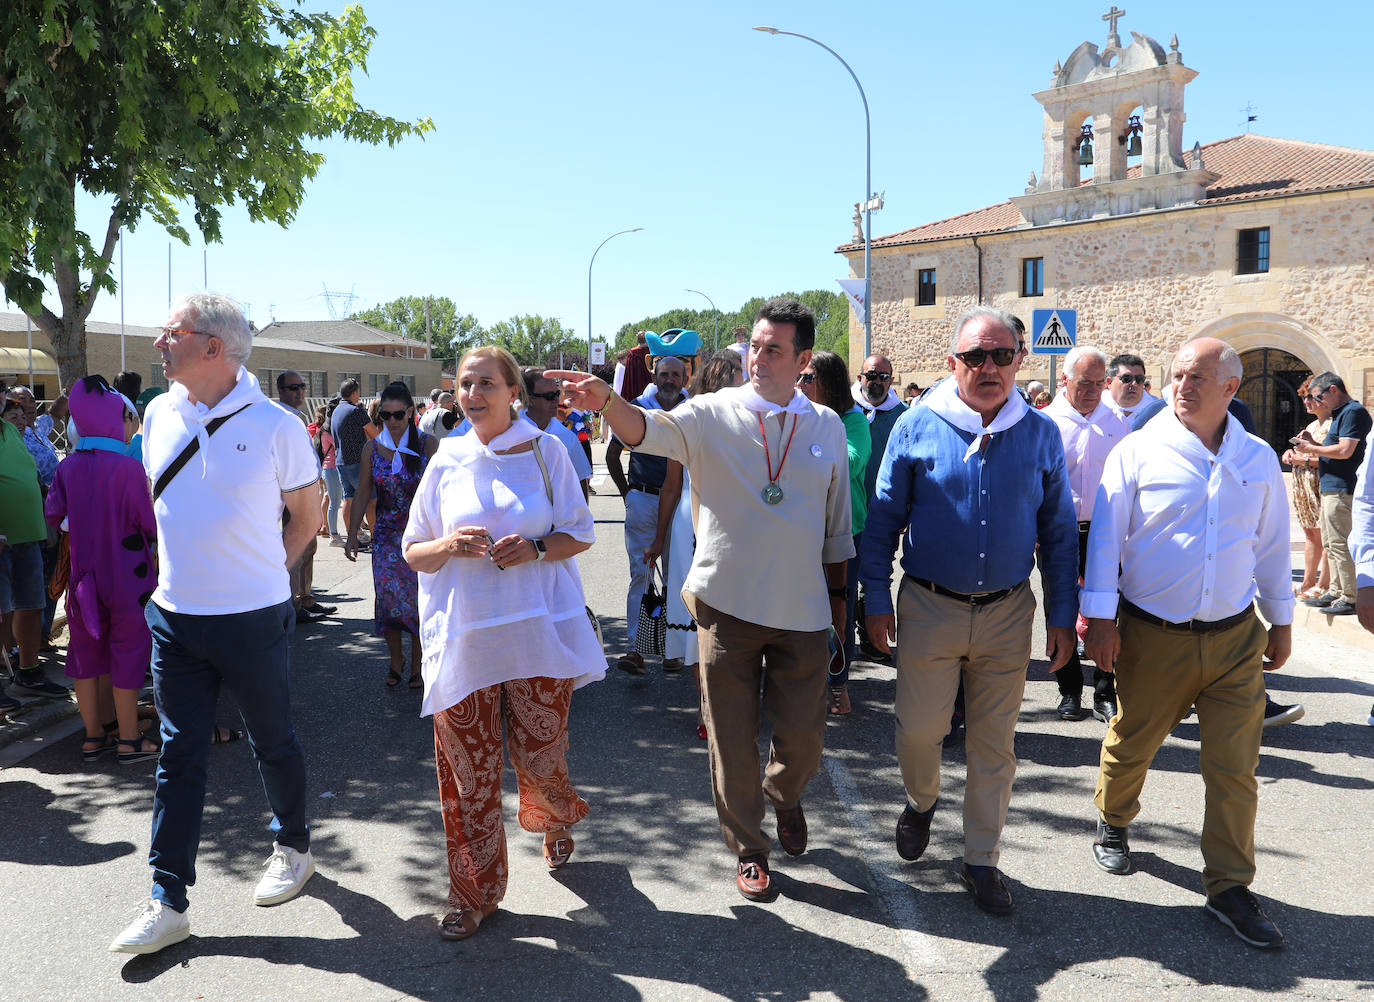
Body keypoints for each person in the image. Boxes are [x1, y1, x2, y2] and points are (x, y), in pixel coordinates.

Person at [550, 296, 854, 904]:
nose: (759, 358)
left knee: (803, 740)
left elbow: (837, 527)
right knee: (730, 736)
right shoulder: (711, 412)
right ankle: (749, 848)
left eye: (774, 349)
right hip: (725, 605)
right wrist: (608, 402)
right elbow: (649, 432)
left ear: (802, 361)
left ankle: (785, 793)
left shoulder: (826, 425)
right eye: (755, 346)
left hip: (801, 611)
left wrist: (843, 610)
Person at [110, 292, 319, 955]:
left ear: (212, 347)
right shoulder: (156, 414)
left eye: (169, 332)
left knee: (272, 740)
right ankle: (167, 899)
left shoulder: (277, 425)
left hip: (253, 619)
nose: (158, 343)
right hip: (175, 619)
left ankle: (293, 847)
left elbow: (308, 516)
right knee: (178, 757)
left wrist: (266, 575)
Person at [861, 305, 1077, 916]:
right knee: (919, 732)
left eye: (1002, 355)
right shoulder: (916, 426)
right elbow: (882, 521)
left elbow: (1059, 532)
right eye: (976, 356)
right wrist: (875, 598)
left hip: (1008, 613)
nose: (989, 367)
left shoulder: (1040, 433)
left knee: (994, 745)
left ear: (1020, 360)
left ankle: (981, 859)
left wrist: (1063, 614)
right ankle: (922, 800)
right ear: (953, 362)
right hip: (929, 607)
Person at [1082, 337, 1293, 950]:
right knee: (1133, 741)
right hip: (1154, 635)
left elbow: (1271, 546)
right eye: (1177, 375)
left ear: (1230, 388)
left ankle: (1229, 886)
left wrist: (1281, 620)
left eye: (1197, 377)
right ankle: (1114, 820)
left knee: (1235, 769)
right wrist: (1100, 620)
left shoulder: (1257, 458)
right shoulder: (1137, 451)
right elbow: (1106, 541)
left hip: (1235, 641)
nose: (1182, 386)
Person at [402, 345, 602, 941]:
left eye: (486, 383)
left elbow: (580, 532)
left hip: (538, 636)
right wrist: (448, 547)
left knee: (540, 756)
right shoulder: (446, 459)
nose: (473, 394)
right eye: (465, 383)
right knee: (469, 775)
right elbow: (414, 550)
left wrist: (536, 548)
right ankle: (474, 894)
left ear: (513, 392)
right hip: (466, 640)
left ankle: (554, 815)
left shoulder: (546, 451)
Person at [45, 376, 159, 764]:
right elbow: (148, 523)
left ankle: (93, 737)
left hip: (83, 579)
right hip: (130, 576)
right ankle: (128, 740)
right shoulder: (128, 468)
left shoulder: (68, 467)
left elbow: (54, 514)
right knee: (128, 652)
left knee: (85, 652)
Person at [645, 351, 745, 734]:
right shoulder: (688, 420)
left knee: (728, 613)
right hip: (696, 520)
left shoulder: (749, 420)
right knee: (697, 616)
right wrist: (658, 539)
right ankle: (708, 707)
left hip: (725, 519)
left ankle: (720, 704)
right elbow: (671, 486)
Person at [1043, 346, 1131, 723]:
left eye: (1100, 383)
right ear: (1064, 380)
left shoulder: (1117, 422)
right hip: (1059, 531)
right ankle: (1069, 689)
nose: (1093, 391)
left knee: (1108, 609)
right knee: (1059, 607)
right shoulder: (1046, 423)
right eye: (1084, 383)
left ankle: (1105, 690)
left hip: (1104, 531)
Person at [344, 382, 437, 688]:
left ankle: (420, 663)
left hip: (423, 536)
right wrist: (352, 534)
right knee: (388, 600)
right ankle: (396, 660)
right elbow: (362, 493)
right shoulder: (372, 448)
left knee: (420, 600)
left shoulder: (428, 445)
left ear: (410, 412)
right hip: (386, 536)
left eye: (399, 414)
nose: (393, 421)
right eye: (386, 415)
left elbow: (442, 491)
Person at [799, 351, 869, 716]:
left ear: (829, 382)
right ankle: (805, 683)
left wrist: (806, 454)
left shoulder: (853, 421)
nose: (801, 384)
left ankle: (838, 684)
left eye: (808, 378)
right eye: (800, 377)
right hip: (802, 530)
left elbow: (850, 462)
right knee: (801, 609)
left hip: (844, 531)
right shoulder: (799, 416)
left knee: (838, 608)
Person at [609, 355, 688, 675]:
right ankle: (634, 648)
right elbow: (613, 454)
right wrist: (627, 494)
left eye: (676, 375)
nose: (669, 380)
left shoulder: (692, 409)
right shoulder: (637, 408)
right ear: (654, 376)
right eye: (664, 374)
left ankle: (672, 649)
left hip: (681, 504)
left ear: (685, 379)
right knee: (641, 575)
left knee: (676, 575)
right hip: (642, 499)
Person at [0, 395, 68, 708]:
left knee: (30, 605)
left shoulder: (12, 432)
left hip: (28, 537)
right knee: (2, 611)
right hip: (4, 540)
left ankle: (28, 673)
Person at [1293, 372, 1371, 617]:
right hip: (1330, 487)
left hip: (1342, 488)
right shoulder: (1340, 414)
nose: (1317, 401)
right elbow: (1335, 449)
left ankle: (1350, 596)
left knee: (1340, 543)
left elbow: (1345, 450)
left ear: (1333, 390)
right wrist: (1313, 443)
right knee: (1330, 543)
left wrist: (1311, 448)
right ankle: (1336, 590)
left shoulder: (1353, 412)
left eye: (1318, 396)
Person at [852, 354, 906, 667]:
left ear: (891, 380)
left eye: (883, 377)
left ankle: (870, 639)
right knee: (849, 572)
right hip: (849, 509)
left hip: (884, 510)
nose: (877, 382)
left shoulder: (903, 415)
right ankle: (850, 635)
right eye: (871, 375)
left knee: (876, 573)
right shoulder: (846, 410)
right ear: (860, 377)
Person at [276, 371, 333, 625]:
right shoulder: (282, 419)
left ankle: (305, 597)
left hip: (304, 493)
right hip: (292, 495)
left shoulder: (296, 418)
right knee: (296, 552)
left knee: (309, 548)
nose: (300, 391)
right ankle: (293, 606)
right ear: (281, 391)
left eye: (302, 386)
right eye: (293, 387)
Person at [1282, 376, 1331, 601]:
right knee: (1311, 534)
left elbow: (1337, 459)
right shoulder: (1312, 425)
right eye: (1304, 397)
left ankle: (1324, 584)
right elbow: (1305, 452)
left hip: (1322, 485)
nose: (1306, 402)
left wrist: (1305, 460)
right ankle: (1308, 582)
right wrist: (1291, 453)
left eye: (1311, 397)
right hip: (1305, 486)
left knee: (1326, 535)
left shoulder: (1333, 425)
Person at [522, 368, 592, 497]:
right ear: (529, 398)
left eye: (557, 394)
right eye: (549, 396)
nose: (556, 400)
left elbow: (581, 485)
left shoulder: (568, 438)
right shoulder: (507, 431)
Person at [331, 378, 370, 552]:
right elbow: (375, 434)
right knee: (370, 500)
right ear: (354, 393)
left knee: (348, 499)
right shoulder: (356, 411)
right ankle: (376, 540)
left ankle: (352, 538)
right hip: (357, 462)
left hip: (341, 461)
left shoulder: (336, 410)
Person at [320, 396, 345, 547]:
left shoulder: (325, 427)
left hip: (329, 468)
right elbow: (340, 445)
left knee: (332, 501)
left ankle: (333, 533)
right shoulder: (330, 429)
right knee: (334, 503)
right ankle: (334, 536)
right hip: (332, 468)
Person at [1102, 354, 1151, 424]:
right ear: (1110, 382)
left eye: (1139, 379)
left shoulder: (1157, 412)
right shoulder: (1094, 410)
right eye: (1127, 378)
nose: (1134, 383)